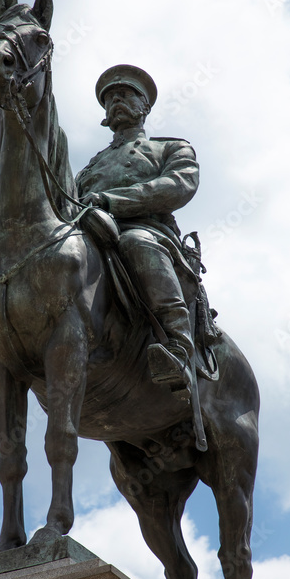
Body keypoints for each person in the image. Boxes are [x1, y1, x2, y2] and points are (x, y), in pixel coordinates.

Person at [76, 64, 200, 393]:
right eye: (110, 97)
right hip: (89, 231)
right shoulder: (90, 166)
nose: (116, 99)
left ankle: (179, 348)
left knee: (136, 244)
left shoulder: (170, 148)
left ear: (144, 106)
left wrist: (112, 201)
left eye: (126, 94)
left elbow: (177, 186)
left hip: (147, 230)